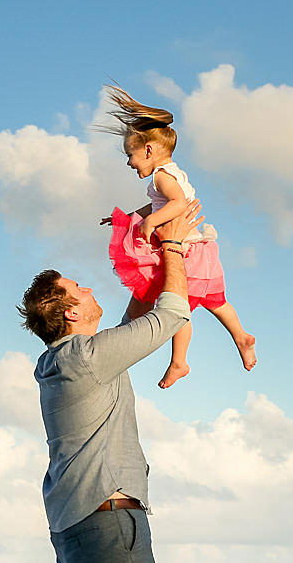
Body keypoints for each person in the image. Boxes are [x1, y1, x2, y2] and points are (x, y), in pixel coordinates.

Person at [18, 197, 207, 563]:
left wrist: (146, 257)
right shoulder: (87, 358)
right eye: (79, 286)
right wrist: (174, 247)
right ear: (71, 311)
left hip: (71, 524)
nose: (90, 286)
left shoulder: (60, 361)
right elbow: (173, 311)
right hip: (109, 515)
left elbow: (135, 321)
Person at [100, 85, 257, 389]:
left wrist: (150, 225)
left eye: (130, 155)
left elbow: (177, 204)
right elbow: (157, 204)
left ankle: (179, 362)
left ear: (148, 150)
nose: (129, 163)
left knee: (174, 306)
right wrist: (131, 217)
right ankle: (241, 335)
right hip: (198, 248)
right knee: (216, 300)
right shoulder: (169, 173)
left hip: (183, 250)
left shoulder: (161, 175)